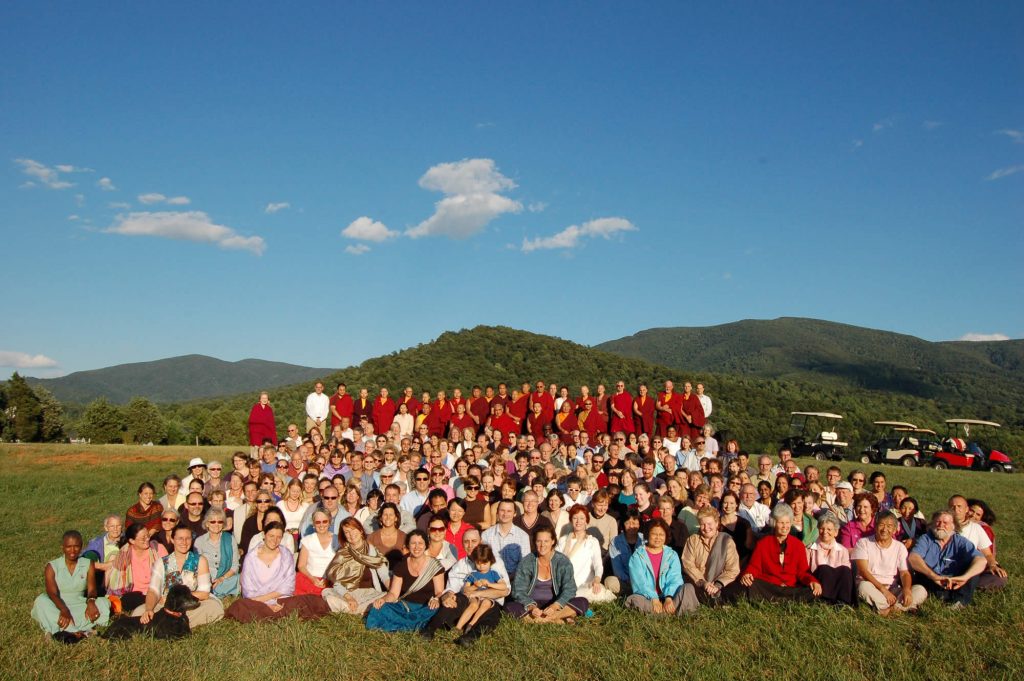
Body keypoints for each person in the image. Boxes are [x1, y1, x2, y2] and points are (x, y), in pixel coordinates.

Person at [226, 522, 329, 622]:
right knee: (239, 606)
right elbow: (248, 590)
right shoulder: (251, 558)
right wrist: (268, 603)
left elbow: (288, 586)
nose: (274, 540)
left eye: (278, 537)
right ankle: (277, 615)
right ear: (264, 535)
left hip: (281, 600)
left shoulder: (286, 555)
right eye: (271, 536)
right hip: (258, 601)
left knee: (311, 601)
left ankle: (271, 615)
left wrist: (274, 601)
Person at [136, 524, 224, 629]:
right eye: (180, 539)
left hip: (190, 605)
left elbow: (204, 593)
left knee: (214, 608)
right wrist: (149, 609)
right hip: (166, 607)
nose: (184, 542)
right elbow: (153, 591)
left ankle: (167, 624)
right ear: (172, 540)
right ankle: (173, 623)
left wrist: (177, 599)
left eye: (188, 538)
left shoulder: (200, 560)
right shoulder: (161, 562)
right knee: (138, 612)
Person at [32, 530, 111, 641]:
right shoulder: (52, 566)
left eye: (76, 546)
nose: (73, 551)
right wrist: (64, 611)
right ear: (62, 547)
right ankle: (79, 631)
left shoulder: (88, 563)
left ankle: (57, 629)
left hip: (79, 604)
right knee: (41, 601)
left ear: (81, 546)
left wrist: (91, 602)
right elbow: (52, 593)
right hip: (58, 604)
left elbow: (92, 589)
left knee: (104, 602)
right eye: (68, 547)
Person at [365, 529, 446, 632]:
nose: (417, 547)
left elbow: (439, 592)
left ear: (426, 545)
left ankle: (400, 626)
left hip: (425, 608)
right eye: (413, 543)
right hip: (404, 607)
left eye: (420, 543)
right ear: (408, 545)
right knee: (378, 609)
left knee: (435, 611)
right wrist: (383, 599)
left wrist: (436, 599)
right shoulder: (401, 566)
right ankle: (412, 626)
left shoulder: (435, 566)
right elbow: (394, 593)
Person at [740, 504, 822, 603]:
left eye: (787, 522)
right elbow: (754, 566)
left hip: (790, 588)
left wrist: (812, 581)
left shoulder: (798, 545)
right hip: (769, 587)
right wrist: (748, 574)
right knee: (751, 585)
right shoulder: (763, 543)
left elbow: (803, 572)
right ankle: (782, 600)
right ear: (774, 523)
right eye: (781, 523)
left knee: (811, 591)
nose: (785, 526)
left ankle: (779, 599)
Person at [506, 526, 586, 624]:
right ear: (535, 542)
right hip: (532, 605)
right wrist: (532, 607)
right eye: (539, 541)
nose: (542, 545)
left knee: (582, 601)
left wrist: (555, 606)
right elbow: (518, 590)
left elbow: (570, 589)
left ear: (553, 541)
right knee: (509, 607)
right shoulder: (527, 562)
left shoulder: (563, 561)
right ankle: (558, 620)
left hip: (555, 604)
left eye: (546, 541)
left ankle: (542, 620)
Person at [908, 510, 987, 607]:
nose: (940, 525)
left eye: (945, 523)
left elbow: (981, 560)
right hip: (931, 580)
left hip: (955, 582)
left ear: (953, 526)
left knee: (973, 573)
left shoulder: (960, 541)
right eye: (938, 522)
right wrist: (933, 576)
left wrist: (964, 578)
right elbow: (913, 558)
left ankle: (959, 603)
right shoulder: (926, 539)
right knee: (920, 574)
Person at [853, 512, 927, 615]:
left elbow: (904, 573)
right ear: (875, 526)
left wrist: (907, 590)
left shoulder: (899, 547)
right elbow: (863, 571)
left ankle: (889, 610)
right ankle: (898, 608)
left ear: (894, 529)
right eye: (881, 525)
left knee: (920, 590)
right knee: (863, 587)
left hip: (892, 588)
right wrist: (883, 590)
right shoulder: (863, 543)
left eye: (889, 526)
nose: (884, 529)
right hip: (872, 586)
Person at [322, 518, 391, 614]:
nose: (351, 534)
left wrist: (392, 592)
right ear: (344, 536)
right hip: (348, 594)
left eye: (353, 529)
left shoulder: (371, 550)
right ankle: (362, 610)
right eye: (347, 532)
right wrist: (349, 598)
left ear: (361, 531)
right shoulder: (342, 554)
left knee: (386, 597)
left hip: (369, 594)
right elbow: (337, 583)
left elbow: (384, 575)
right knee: (328, 594)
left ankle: (352, 610)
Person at [625, 519, 692, 615]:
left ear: (666, 537)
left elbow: (675, 578)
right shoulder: (637, 556)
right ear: (648, 535)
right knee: (634, 599)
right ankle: (669, 613)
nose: (658, 538)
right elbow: (639, 582)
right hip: (648, 598)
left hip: (671, 597)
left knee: (688, 588)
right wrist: (654, 598)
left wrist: (668, 598)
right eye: (654, 534)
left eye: (661, 535)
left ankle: (664, 612)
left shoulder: (672, 555)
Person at [680, 508, 741, 606]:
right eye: (703, 524)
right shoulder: (693, 540)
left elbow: (732, 569)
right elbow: (688, 565)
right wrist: (704, 583)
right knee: (687, 586)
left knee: (735, 589)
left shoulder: (726, 541)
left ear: (717, 523)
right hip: (699, 583)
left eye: (709, 524)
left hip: (720, 584)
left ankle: (716, 599)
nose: (706, 528)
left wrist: (717, 585)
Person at [557, 505, 614, 604]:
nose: (578, 521)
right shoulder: (563, 540)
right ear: (571, 520)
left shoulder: (592, 541)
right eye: (575, 518)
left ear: (586, 521)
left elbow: (598, 565)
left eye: (582, 518)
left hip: (585, 585)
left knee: (595, 592)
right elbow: (555, 562)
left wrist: (596, 580)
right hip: (564, 584)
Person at [454, 544, 510, 635]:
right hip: (474, 596)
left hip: (487, 597)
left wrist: (489, 584)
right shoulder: (473, 574)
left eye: (484, 563)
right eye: (478, 563)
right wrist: (475, 586)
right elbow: (465, 590)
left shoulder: (494, 573)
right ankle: (458, 627)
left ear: (491, 562)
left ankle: (472, 623)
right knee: (473, 605)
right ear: (475, 562)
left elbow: (504, 586)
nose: (481, 566)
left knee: (487, 603)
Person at [806, 514, 854, 606]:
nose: (825, 532)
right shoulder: (810, 549)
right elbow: (806, 570)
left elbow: (846, 573)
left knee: (845, 570)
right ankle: (824, 601)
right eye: (822, 528)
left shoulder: (843, 550)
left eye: (829, 529)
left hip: (837, 586)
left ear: (836, 532)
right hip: (818, 586)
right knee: (824, 569)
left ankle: (843, 603)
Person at [194, 508, 240, 598]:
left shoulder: (230, 539)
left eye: (220, 522)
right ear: (207, 523)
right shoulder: (199, 541)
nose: (216, 525)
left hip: (225, 579)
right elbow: (197, 567)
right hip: (205, 580)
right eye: (213, 522)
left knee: (243, 578)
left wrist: (222, 578)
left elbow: (235, 566)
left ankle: (218, 591)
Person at [295, 510, 339, 595]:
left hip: (330, 580)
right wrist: (313, 579)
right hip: (310, 578)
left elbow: (340, 565)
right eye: (318, 522)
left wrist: (328, 579)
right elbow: (301, 566)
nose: (321, 525)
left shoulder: (337, 540)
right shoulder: (307, 540)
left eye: (324, 521)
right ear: (314, 524)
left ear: (329, 522)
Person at [82, 514, 123, 591]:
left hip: (122, 574)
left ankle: (102, 591)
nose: (115, 529)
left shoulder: (128, 541)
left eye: (118, 526)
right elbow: (84, 559)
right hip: (100, 575)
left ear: (122, 527)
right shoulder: (97, 542)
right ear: (106, 528)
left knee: (116, 560)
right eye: (112, 526)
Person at [247, 391, 277, 456]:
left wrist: (273, 436)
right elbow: (251, 420)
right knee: (256, 452)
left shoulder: (269, 409)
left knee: (266, 450)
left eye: (266, 398)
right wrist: (263, 422)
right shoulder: (256, 407)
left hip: (267, 433)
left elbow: (271, 424)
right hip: (257, 434)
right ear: (260, 399)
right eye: (263, 398)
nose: (264, 400)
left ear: (268, 399)